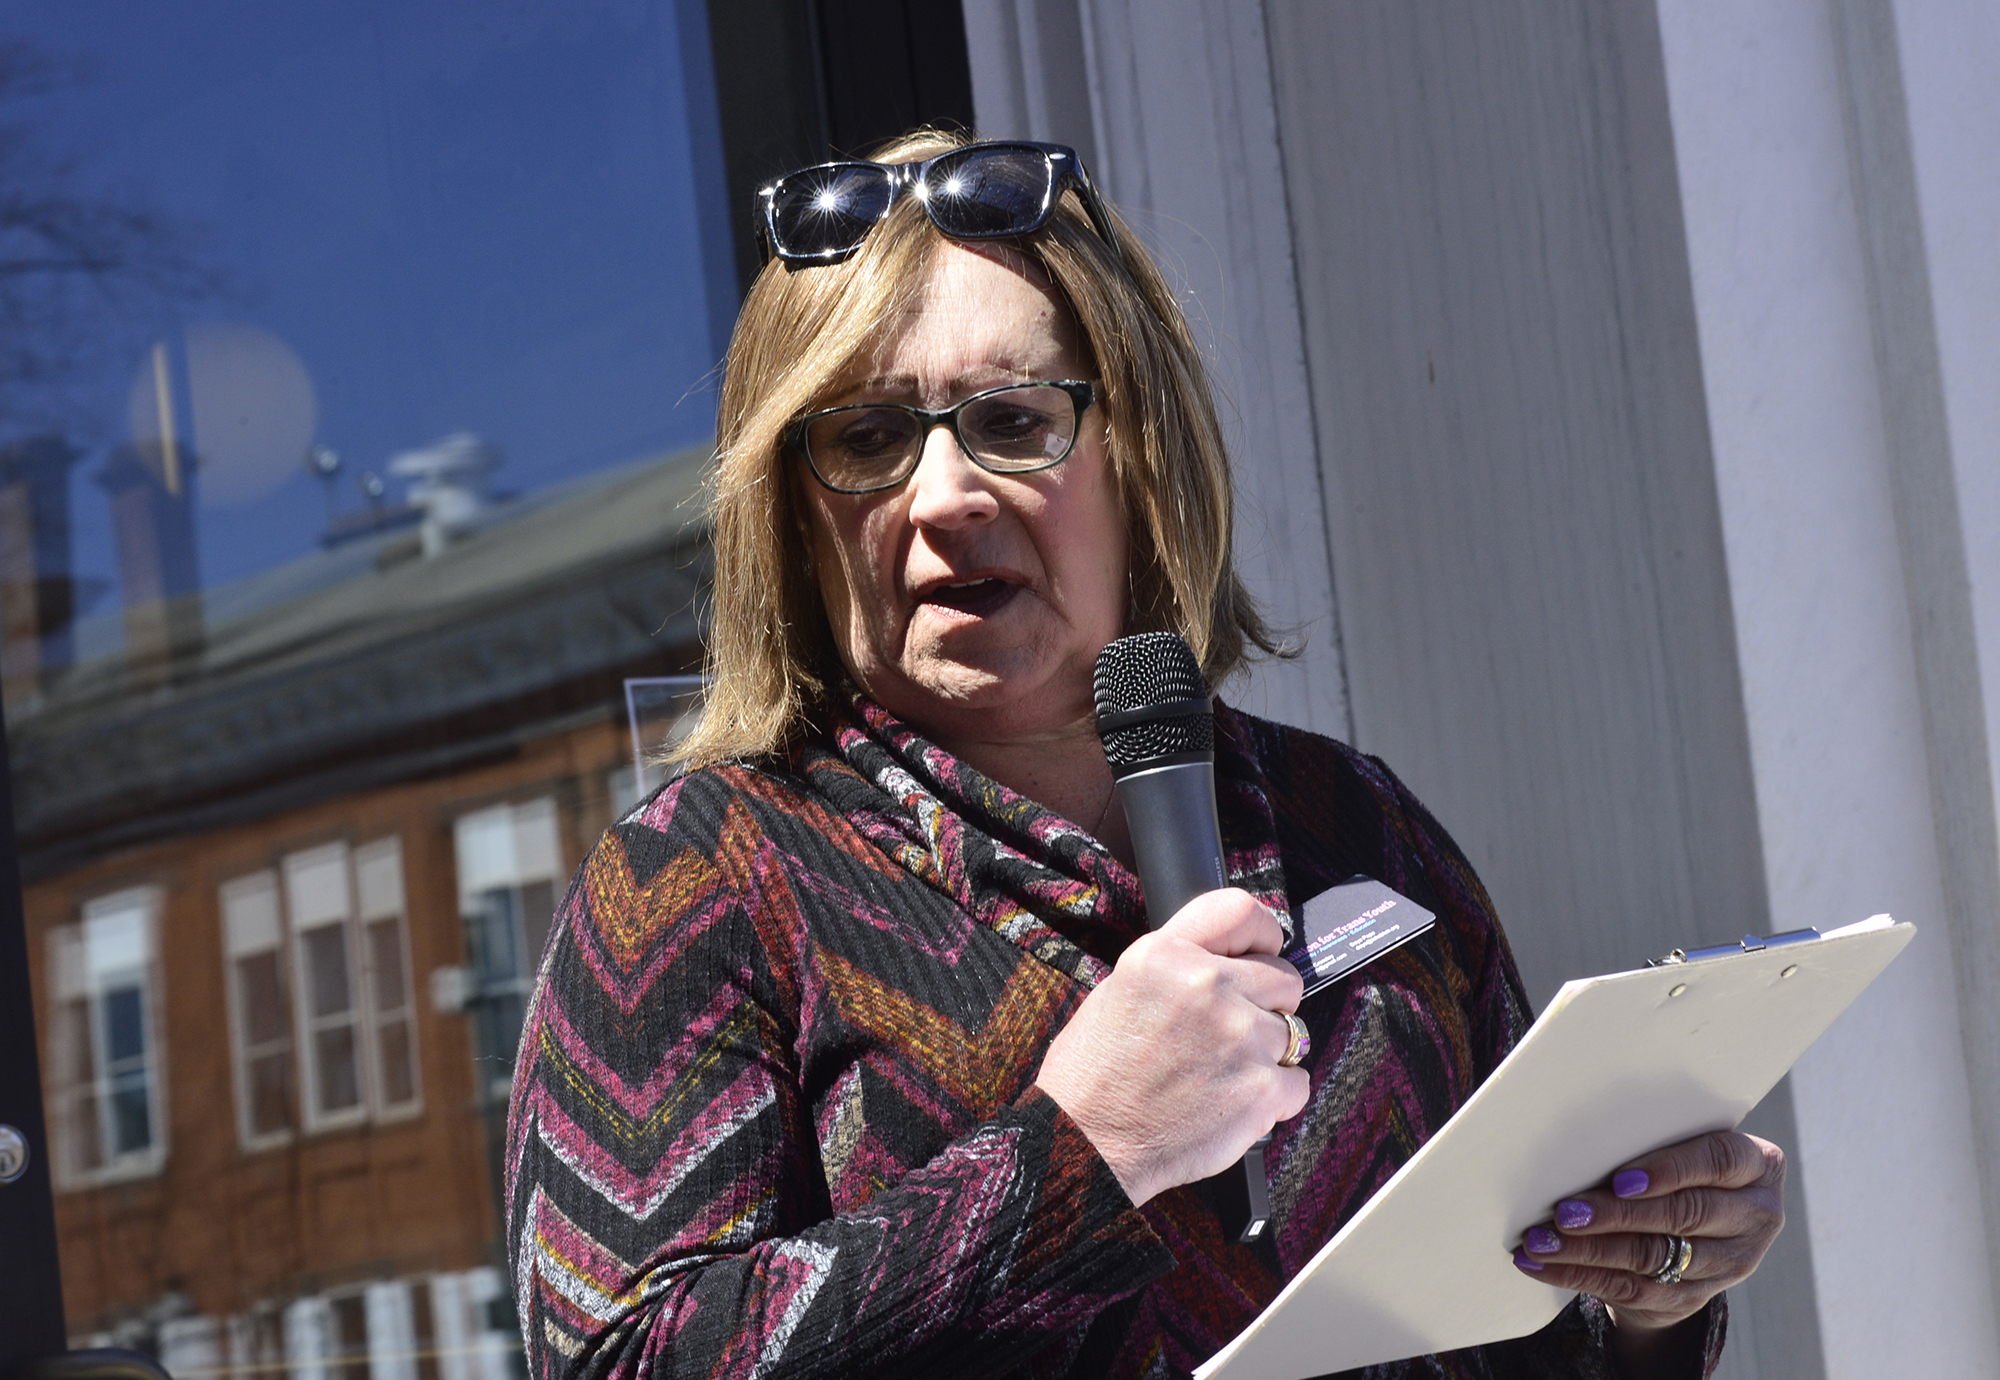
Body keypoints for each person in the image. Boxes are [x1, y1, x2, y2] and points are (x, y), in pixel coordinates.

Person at [504, 130, 1785, 1380]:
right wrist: (1081, 1153)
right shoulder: (698, 879)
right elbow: (624, 1358)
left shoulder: (1348, 818)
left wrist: (1650, 1290)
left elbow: (1524, 1328)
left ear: (1139, 455)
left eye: (1011, 419)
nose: (943, 493)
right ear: (794, 511)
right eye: (866, 439)